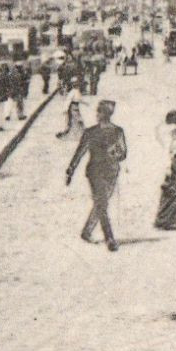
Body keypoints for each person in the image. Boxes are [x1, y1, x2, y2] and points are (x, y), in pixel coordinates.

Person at [66, 99, 127, 251]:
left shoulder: (96, 132)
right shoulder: (113, 131)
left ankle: (87, 232)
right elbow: (123, 154)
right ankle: (110, 238)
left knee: (101, 203)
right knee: (102, 203)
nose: (96, 115)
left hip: (105, 172)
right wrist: (115, 154)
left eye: (98, 112)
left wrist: (71, 169)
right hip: (101, 172)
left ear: (103, 114)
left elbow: (79, 153)